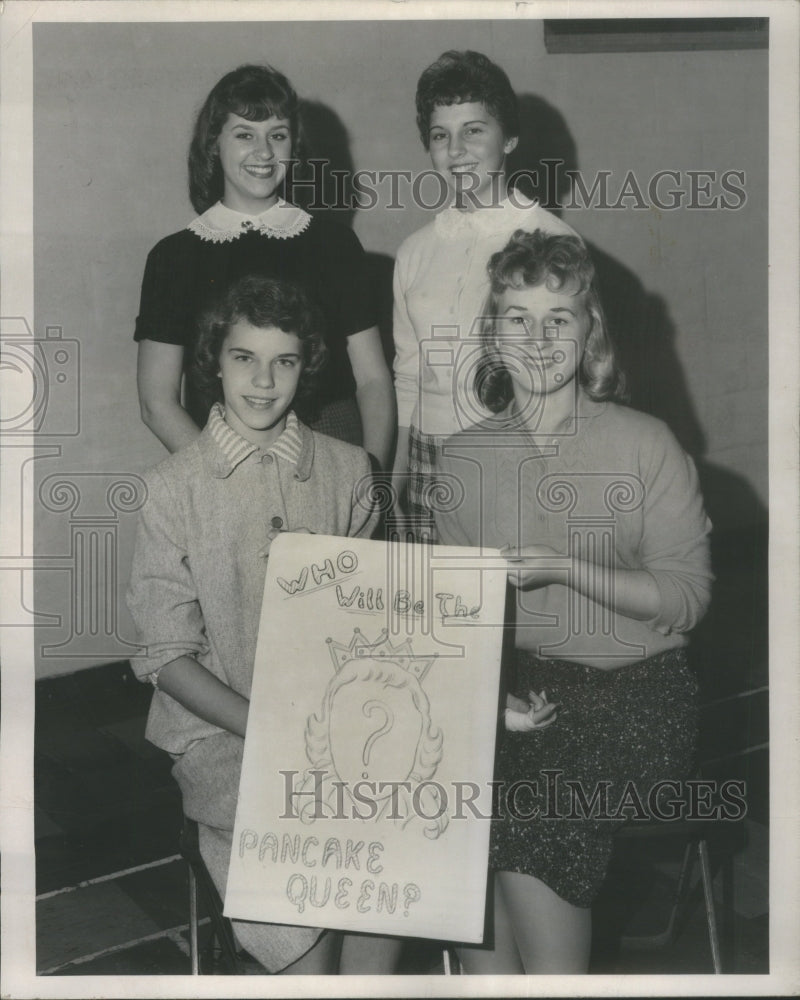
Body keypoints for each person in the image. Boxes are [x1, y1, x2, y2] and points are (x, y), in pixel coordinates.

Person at [434, 230, 712, 973]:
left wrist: (565, 566)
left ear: (591, 330)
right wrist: (489, 702)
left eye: (560, 317)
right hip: (519, 692)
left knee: (531, 806)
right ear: (492, 336)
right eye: (517, 318)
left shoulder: (647, 443)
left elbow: (685, 602)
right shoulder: (462, 457)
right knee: (446, 808)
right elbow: (453, 624)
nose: (539, 337)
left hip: (638, 698)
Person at [127, 274, 381, 973]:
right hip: (224, 740)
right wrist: (270, 728)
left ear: (308, 367)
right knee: (299, 847)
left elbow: (375, 624)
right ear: (213, 361)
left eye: (285, 361)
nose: (264, 381)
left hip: (338, 730)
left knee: (405, 829)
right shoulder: (172, 489)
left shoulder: (351, 471)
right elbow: (168, 657)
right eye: (245, 358)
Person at [135, 64, 394, 468]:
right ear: (213, 144)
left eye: (278, 135)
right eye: (244, 135)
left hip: (333, 448)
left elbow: (374, 381)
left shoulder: (335, 245)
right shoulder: (174, 257)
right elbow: (156, 402)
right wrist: (229, 478)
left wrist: (367, 478)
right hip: (221, 455)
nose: (264, 152)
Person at [391, 50, 579, 540]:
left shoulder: (551, 240)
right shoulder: (414, 251)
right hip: (427, 461)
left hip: (517, 455)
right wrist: (394, 482)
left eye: (473, 130)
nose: (456, 150)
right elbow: (409, 375)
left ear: (510, 138)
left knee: (511, 613)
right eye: (440, 135)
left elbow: (570, 380)